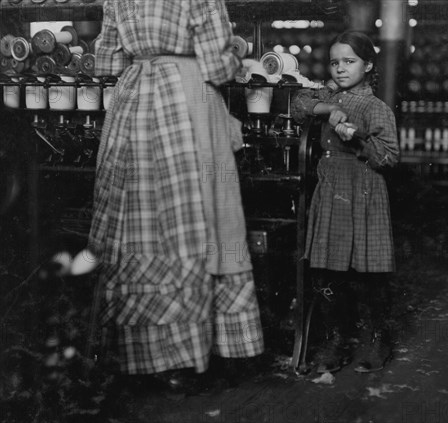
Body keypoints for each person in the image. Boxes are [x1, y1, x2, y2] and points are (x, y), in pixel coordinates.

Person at [88, 0, 263, 389]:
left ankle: (136, 353)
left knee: (134, 218)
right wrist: (236, 48)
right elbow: (218, 66)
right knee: (202, 216)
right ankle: (189, 354)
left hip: (132, 97)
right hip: (188, 96)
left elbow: (107, 62)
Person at [291, 31, 399, 373]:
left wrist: (359, 140)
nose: (340, 69)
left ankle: (377, 338)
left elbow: (388, 157)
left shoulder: (375, 107)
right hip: (332, 188)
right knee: (327, 269)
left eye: (349, 62)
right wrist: (329, 109)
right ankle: (336, 340)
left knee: (370, 272)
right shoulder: (328, 94)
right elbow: (298, 103)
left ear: (367, 65)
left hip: (364, 190)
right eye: (335, 62)